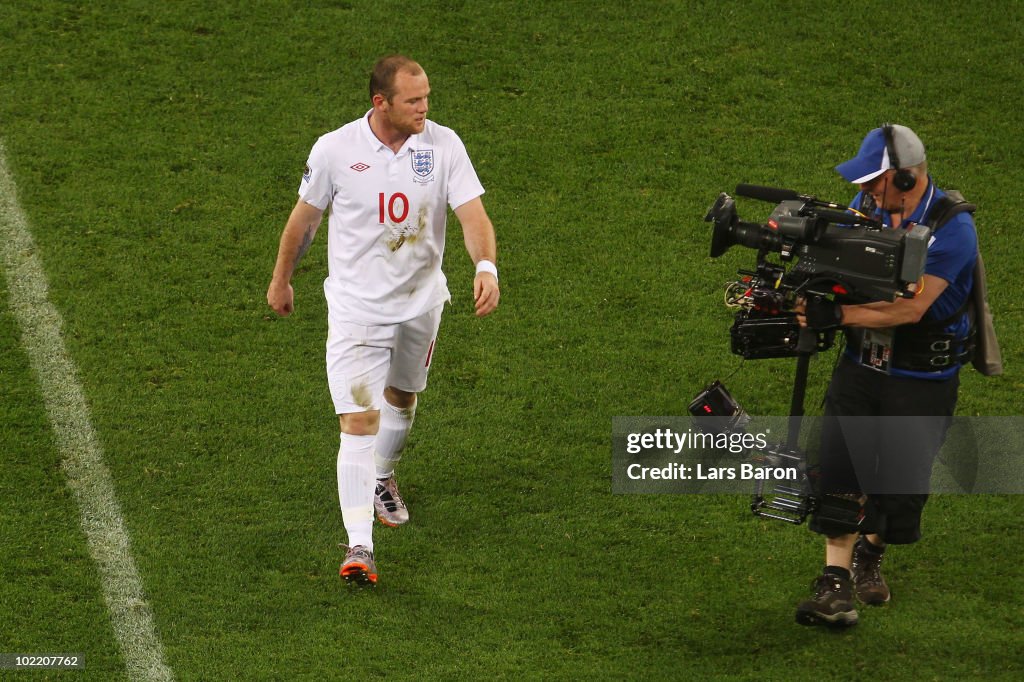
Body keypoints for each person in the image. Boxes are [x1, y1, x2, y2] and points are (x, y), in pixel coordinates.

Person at [267, 55, 500, 586]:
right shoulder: (335, 150)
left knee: (403, 397)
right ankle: (359, 546)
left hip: (421, 304)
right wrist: (282, 279)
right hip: (357, 312)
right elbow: (304, 221)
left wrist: (485, 266)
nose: (425, 108)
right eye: (413, 101)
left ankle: (383, 476)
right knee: (358, 421)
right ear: (381, 103)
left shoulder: (443, 145)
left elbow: (473, 216)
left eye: (427, 98)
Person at [794, 124, 977, 627]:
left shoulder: (953, 231)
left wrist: (840, 317)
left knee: (899, 494)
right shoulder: (867, 210)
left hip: (921, 378)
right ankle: (834, 584)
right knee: (838, 469)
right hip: (861, 367)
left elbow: (911, 309)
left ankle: (871, 549)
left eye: (875, 182)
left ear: (905, 177)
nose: (865, 193)